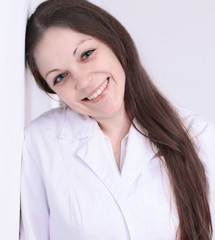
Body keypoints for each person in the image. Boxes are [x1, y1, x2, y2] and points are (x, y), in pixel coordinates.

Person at [20, 0, 215, 239]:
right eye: (60, 77)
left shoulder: (199, 136)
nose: (82, 81)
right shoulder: (40, 143)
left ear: (114, 40)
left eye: (86, 54)